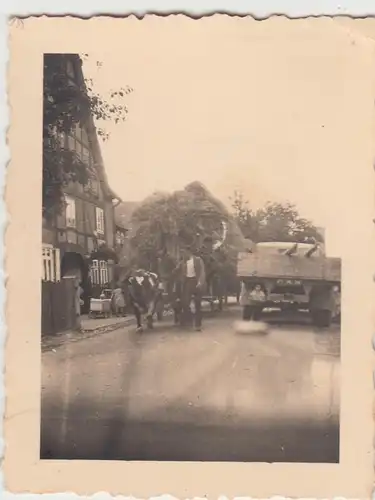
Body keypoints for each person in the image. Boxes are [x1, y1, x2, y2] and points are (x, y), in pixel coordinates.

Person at [177, 247, 206, 331]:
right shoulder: (183, 262)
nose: (183, 254)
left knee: (198, 304)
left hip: (196, 282)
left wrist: (200, 282)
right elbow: (178, 271)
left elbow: (202, 272)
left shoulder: (198, 260)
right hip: (188, 283)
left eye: (184, 252)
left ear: (188, 252)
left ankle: (198, 324)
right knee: (185, 302)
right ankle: (189, 320)